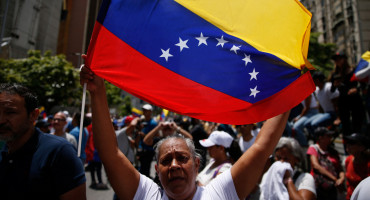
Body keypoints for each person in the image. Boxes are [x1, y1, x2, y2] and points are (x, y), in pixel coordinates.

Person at [80, 64, 290, 200]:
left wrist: (289, 89)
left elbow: (261, 148)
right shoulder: (147, 195)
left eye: (181, 158)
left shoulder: (219, 193)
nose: (173, 166)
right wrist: (97, 91)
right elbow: (111, 154)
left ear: (197, 164)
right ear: (156, 169)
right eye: (165, 161)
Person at [0, 83, 86, 199]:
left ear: (33, 115)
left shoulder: (59, 152)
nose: (1, 120)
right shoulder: (4, 148)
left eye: (10, 112)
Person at [330, 52, 365, 136]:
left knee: (357, 123)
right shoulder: (335, 74)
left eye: (339, 59)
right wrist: (335, 85)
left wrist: (356, 89)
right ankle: (348, 145)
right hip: (343, 100)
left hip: (354, 99)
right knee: (346, 125)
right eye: (336, 60)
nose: (337, 62)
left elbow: (362, 84)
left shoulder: (353, 70)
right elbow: (332, 89)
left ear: (344, 60)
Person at [306, 127, 345, 200]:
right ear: (320, 138)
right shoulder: (314, 148)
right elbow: (316, 166)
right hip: (318, 187)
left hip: (332, 187)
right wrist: (335, 179)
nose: (330, 138)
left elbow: (340, 169)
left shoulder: (333, 151)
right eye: (328, 136)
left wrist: (341, 179)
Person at [305, 71, 340, 137]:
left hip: (332, 114)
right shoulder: (317, 90)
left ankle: (323, 139)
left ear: (317, 80)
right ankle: (318, 140)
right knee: (307, 124)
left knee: (315, 124)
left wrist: (338, 118)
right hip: (325, 113)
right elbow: (320, 105)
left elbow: (336, 104)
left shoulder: (328, 87)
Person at [344, 133, 370, 200]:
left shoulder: (368, 165)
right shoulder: (348, 160)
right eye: (348, 142)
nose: (348, 145)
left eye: (352, 143)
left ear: (362, 147)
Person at [138, 103, 158, 178]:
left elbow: (156, 137)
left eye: (146, 110)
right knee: (141, 169)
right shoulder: (142, 122)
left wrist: (144, 136)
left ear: (150, 112)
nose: (144, 112)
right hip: (141, 149)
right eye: (143, 110)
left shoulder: (153, 123)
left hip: (149, 150)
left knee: (145, 170)